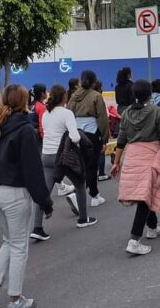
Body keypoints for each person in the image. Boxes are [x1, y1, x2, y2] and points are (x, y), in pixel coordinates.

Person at [0, 84, 53, 308]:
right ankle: (15, 299)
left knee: (9, 240)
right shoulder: (25, 130)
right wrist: (45, 201)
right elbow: (33, 171)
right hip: (13, 193)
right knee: (20, 245)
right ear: (24, 102)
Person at [111, 80, 160, 255]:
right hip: (150, 156)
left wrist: (117, 162)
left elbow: (121, 140)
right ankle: (134, 240)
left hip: (132, 157)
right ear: (150, 94)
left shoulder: (126, 113)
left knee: (147, 192)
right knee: (145, 196)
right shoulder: (156, 112)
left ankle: (152, 227)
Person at [38, 85, 96, 240]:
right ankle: (83, 218)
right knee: (80, 183)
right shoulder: (67, 113)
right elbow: (75, 137)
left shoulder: (46, 114)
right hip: (63, 156)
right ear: (64, 97)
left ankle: (37, 227)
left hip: (46, 155)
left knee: (44, 192)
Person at [67, 70, 109, 206]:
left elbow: (69, 114)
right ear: (94, 82)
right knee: (92, 166)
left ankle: (85, 193)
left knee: (82, 165)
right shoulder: (96, 96)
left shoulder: (73, 96)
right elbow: (102, 119)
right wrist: (104, 138)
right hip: (92, 132)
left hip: (77, 132)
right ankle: (92, 195)